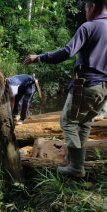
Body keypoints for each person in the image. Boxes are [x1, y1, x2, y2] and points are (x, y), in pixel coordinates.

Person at [23, 0, 107, 177]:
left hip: (88, 85)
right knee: (84, 123)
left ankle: (76, 168)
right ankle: (76, 162)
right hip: (104, 88)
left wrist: (39, 57)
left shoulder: (88, 27)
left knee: (67, 122)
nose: (85, 12)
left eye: (85, 8)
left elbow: (67, 52)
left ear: (92, 6)